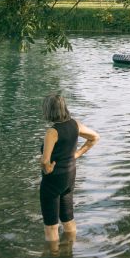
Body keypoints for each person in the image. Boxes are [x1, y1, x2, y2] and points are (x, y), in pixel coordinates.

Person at [39, 94, 100, 244]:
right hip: (70, 175)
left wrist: (47, 169)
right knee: (68, 218)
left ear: (48, 110)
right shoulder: (75, 124)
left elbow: (45, 161)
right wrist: (77, 154)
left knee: (51, 226)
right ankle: (70, 249)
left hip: (53, 179)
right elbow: (94, 137)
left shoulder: (52, 132)